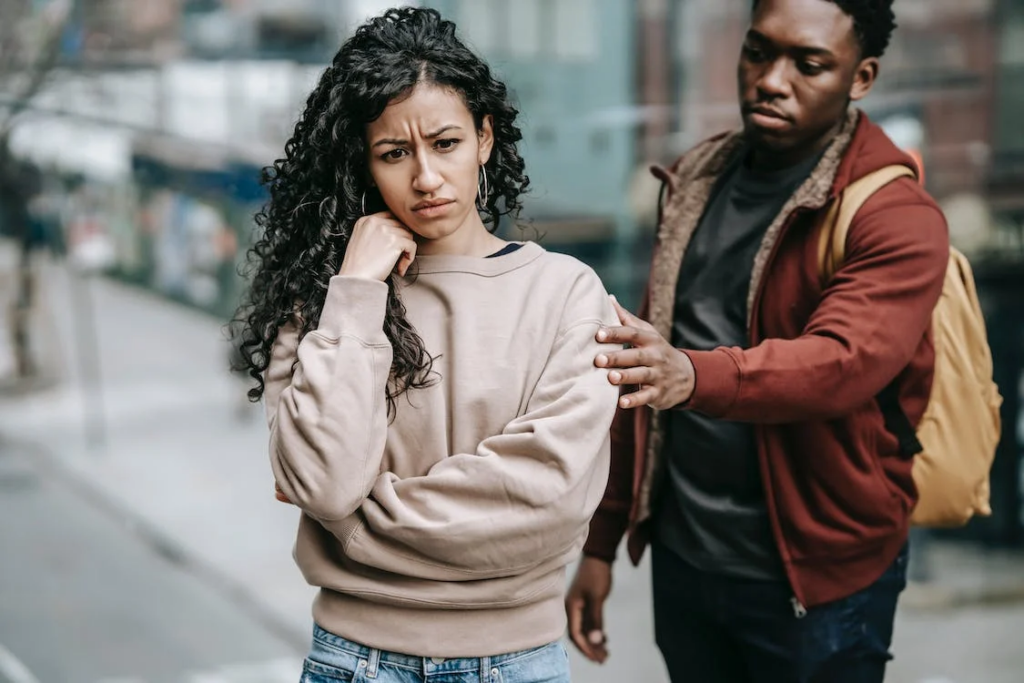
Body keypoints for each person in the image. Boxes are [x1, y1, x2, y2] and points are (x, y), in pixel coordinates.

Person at [233, 8, 620, 683]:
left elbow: (546, 503)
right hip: (354, 661)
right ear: (365, 162)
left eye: (445, 143)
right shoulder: (328, 304)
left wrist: (353, 527)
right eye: (393, 153)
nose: (426, 178)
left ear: (485, 138)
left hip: (518, 662)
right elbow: (325, 481)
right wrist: (354, 288)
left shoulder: (567, 294)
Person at [566, 1, 949, 682]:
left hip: (816, 577)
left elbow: (841, 361)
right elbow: (643, 372)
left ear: (861, 77)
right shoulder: (697, 181)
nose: (771, 80)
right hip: (686, 561)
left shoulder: (896, 215)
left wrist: (693, 374)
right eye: (757, 51)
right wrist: (602, 540)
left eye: (808, 64)